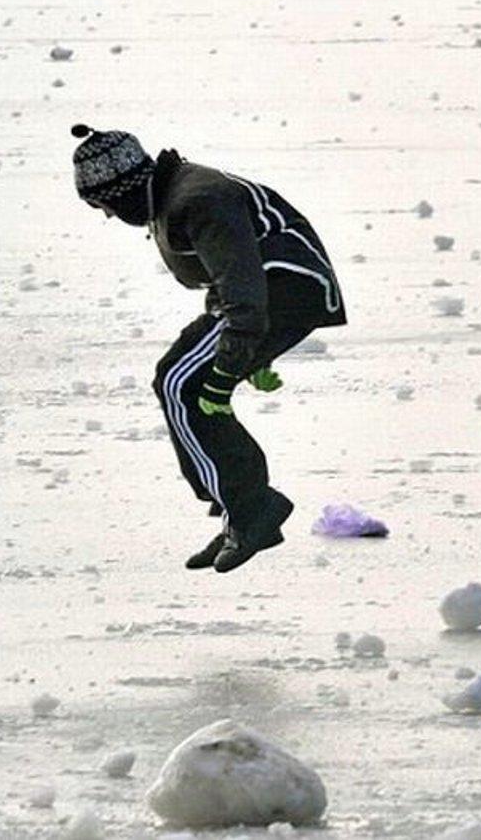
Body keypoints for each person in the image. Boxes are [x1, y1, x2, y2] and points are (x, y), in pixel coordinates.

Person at [71, 124, 347, 573]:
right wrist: (253, 353)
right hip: (270, 294)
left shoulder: (196, 201)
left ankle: (250, 509)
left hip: (285, 294)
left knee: (184, 384)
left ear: (120, 192)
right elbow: (229, 273)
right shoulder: (172, 195)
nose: (104, 215)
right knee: (176, 377)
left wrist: (233, 364)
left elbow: (246, 288)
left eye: (101, 204)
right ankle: (241, 509)